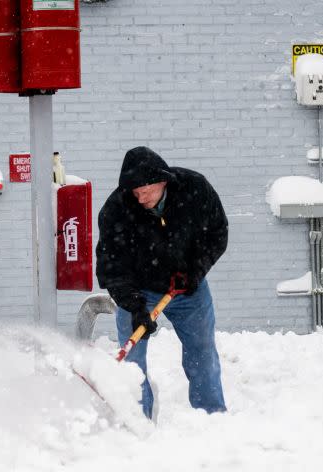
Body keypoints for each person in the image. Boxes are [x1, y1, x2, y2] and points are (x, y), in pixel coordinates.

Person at [95, 146, 228, 419]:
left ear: (162, 180)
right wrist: (134, 305)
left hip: (188, 287)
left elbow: (217, 233)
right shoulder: (117, 210)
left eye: (145, 190)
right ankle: (137, 419)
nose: (140, 197)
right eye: (135, 192)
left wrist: (195, 270)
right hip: (140, 290)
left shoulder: (194, 189)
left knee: (202, 350)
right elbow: (112, 267)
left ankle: (211, 415)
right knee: (133, 360)